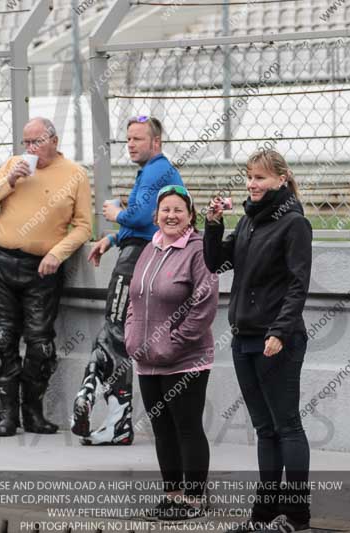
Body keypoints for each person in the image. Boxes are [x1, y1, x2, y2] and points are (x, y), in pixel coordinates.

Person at [203, 149, 312, 531]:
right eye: (249, 177)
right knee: (265, 429)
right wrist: (214, 224)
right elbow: (217, 263)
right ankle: (263, 514)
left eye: (261, 178)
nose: (252, 184)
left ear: (281, 179)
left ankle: (296, 515)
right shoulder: (249, 221)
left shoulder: (293, 223)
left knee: (287, 426)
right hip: (244, 339)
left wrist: (279, 332)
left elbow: (298, 287)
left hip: (277, 340)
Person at [0, 117, 92, 436]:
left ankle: (33, 412)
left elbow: (83, 226)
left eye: (36, 142)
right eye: (26, 142)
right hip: (1, 261)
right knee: (3, 338)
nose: (30, 149)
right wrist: (8, 181)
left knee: (40, 344)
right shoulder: (14, 166)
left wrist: (58, 253)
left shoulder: (75, 175)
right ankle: (6, 413)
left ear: (53, 140)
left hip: (42, 267)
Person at [71, 116, 184, 445]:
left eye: (137, 139)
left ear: (156, 143)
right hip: (140, 253)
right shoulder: (158, 171)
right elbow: (148, 223)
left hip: (139, 261)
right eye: (128, 139)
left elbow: (141, 217)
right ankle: (101, 404)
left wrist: (114, 214)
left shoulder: (155, 171)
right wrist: (115, 237)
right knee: (114, 335)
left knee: (116, 337)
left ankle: (111, 415)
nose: (131, 145)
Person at [124, 185, 218, 520]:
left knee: (187, 427)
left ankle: (194, 500)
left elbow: (204, 306)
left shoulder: (197, 250)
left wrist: (172, 342)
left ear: (190, 215)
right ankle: (172, 496)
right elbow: (134, 298)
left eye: (178, 209)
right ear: (156, 215)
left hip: (185, 360)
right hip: (147, 361)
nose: (171, 215)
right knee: (162, 429)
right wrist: (133, 338)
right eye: (165, 210)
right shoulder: (150, 248)